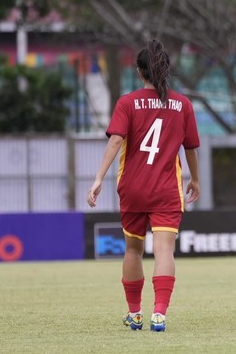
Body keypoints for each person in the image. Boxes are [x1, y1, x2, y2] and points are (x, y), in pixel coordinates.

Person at [87, 39, 201, 332]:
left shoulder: (127, 102)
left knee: (133, 250)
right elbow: (190, 149)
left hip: (133, 187)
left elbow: (115, 139)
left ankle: (134, 313)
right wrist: (196, 179)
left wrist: (99, 178)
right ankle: (159, 314)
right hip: (166, 189)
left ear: (140, 72)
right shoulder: (182, 104)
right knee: (164, 251)